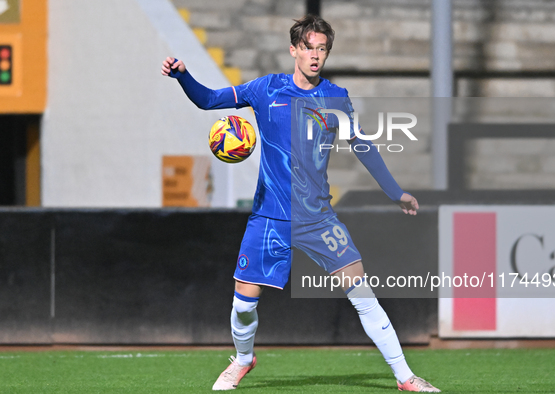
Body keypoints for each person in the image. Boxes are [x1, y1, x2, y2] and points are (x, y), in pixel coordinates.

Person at [161, 14, 440, 393]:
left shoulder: (336, 98)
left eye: (322, 48)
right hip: (270, 216)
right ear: (294, 49)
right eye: (309, 47)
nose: (315, 55)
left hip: (318, 218)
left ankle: (405, 378)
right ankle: (243, 360)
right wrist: (183, 76)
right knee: (244, 305)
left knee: (362, 294)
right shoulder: (265, 90)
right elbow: (209, 100)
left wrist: (395, 192)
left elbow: (362, 145)